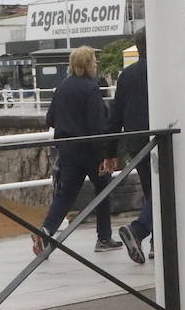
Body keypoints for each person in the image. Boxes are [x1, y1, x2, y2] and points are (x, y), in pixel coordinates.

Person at [36, 46, 123, 256]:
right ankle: (103, 237)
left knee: (66, 195)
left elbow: (50, 119)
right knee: (103, 190)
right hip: (90, 150)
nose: (96, 66)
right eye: (94, 63)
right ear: (86, 65)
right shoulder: (90, 89)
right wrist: (105, 154)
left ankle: (45, 232)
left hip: (67, 150)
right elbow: (97, 124)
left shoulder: (62, 87)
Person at [103, 29, 152, 265]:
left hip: (136, 143)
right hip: (164, 140)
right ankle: (139, 230)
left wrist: (110, 152)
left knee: (153, 192)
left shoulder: (127, 75)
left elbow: (116, 115)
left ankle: (155, 243)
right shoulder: (169, 70)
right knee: (168, 193)